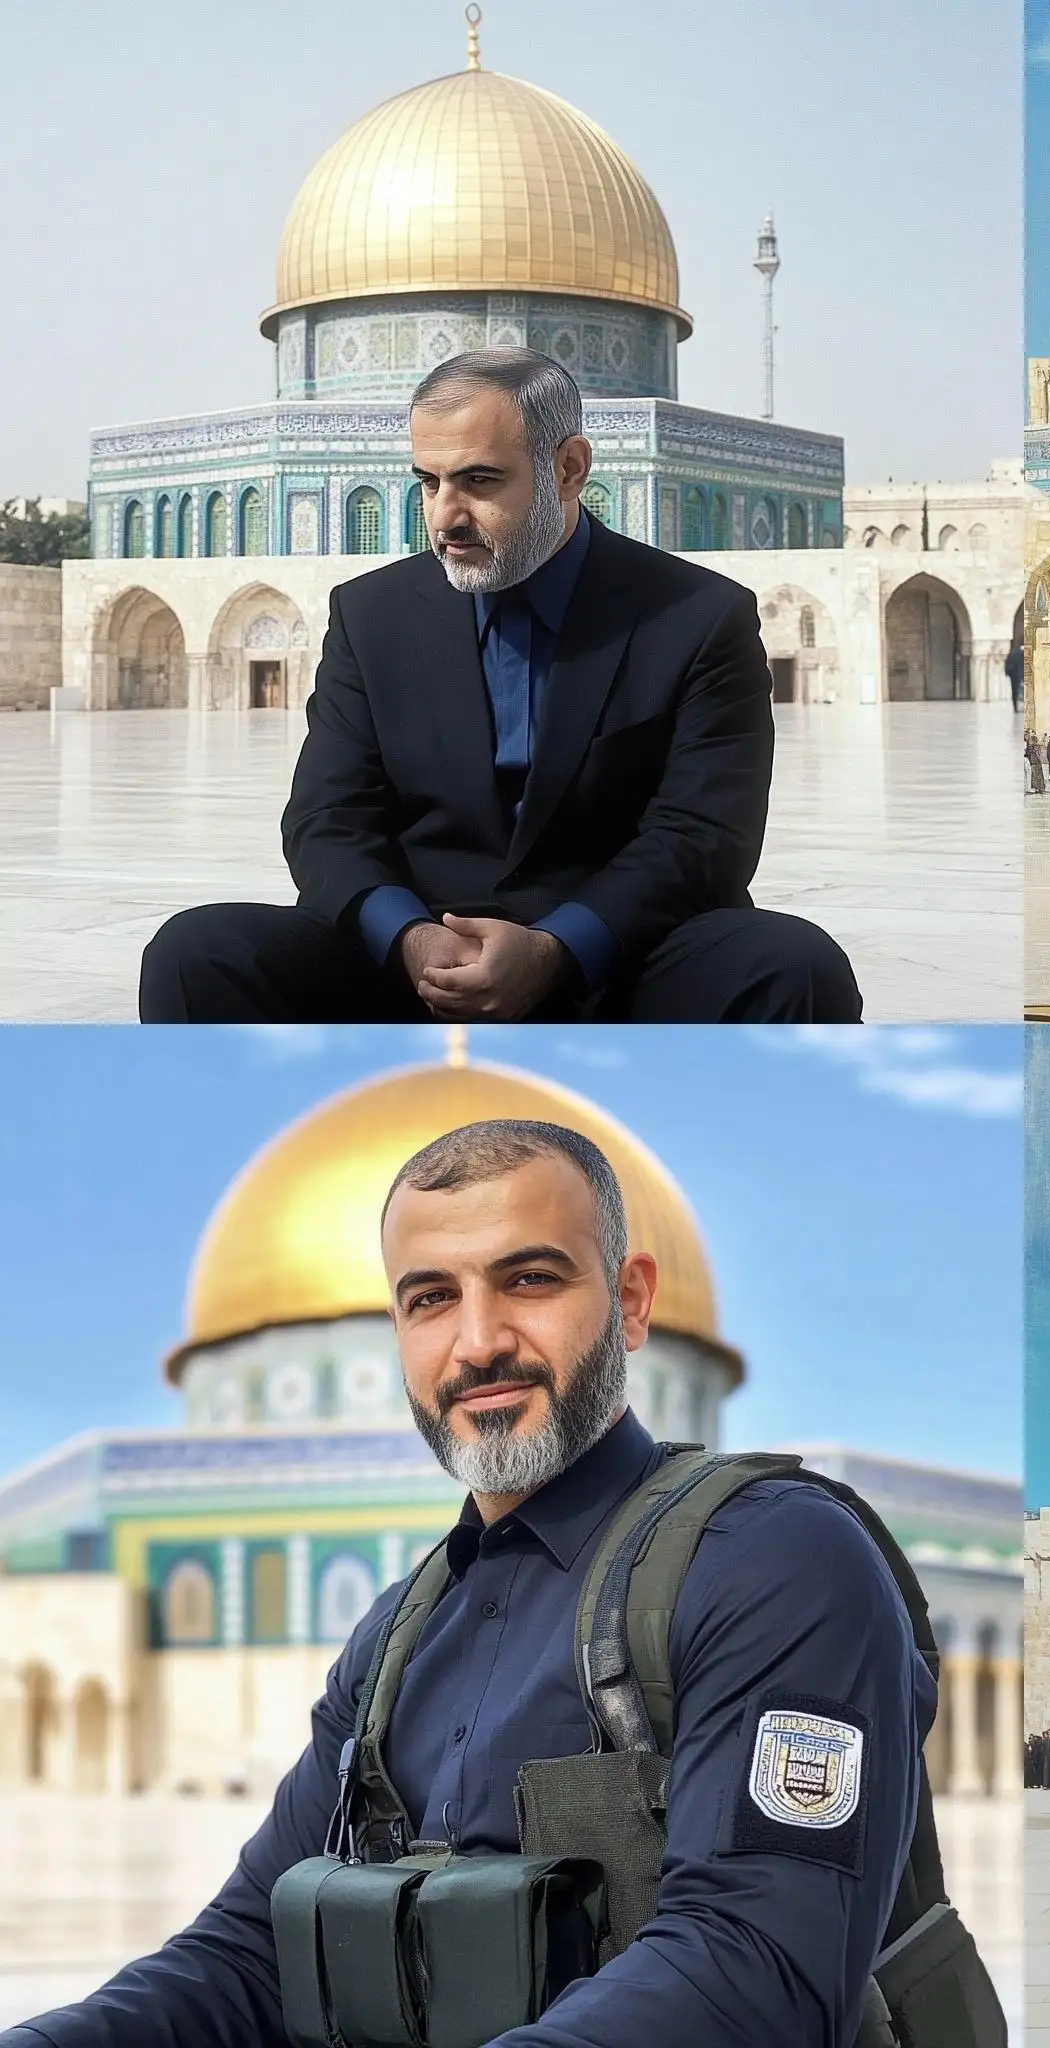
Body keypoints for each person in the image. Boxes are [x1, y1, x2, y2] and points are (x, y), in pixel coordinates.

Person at [3, 1118, 931, 2047]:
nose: (479, 1341)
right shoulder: (395, 1639)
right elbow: (250, 1956)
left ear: (632, 1300)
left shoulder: (774, 1559)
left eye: (530, 1279)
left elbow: (753, 1965)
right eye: (431, 1298)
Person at [138, 349, 861, 1023]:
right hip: (418, 959)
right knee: (199, 952)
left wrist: (558, 949)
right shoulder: (373, 615)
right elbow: (329, 820)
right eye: (429, 481)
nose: (446, 515)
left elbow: (703, 836)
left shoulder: (693, 617)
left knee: (795, 968)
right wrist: (410, 938)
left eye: (479, 480)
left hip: (616, 959)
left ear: (569, 468)